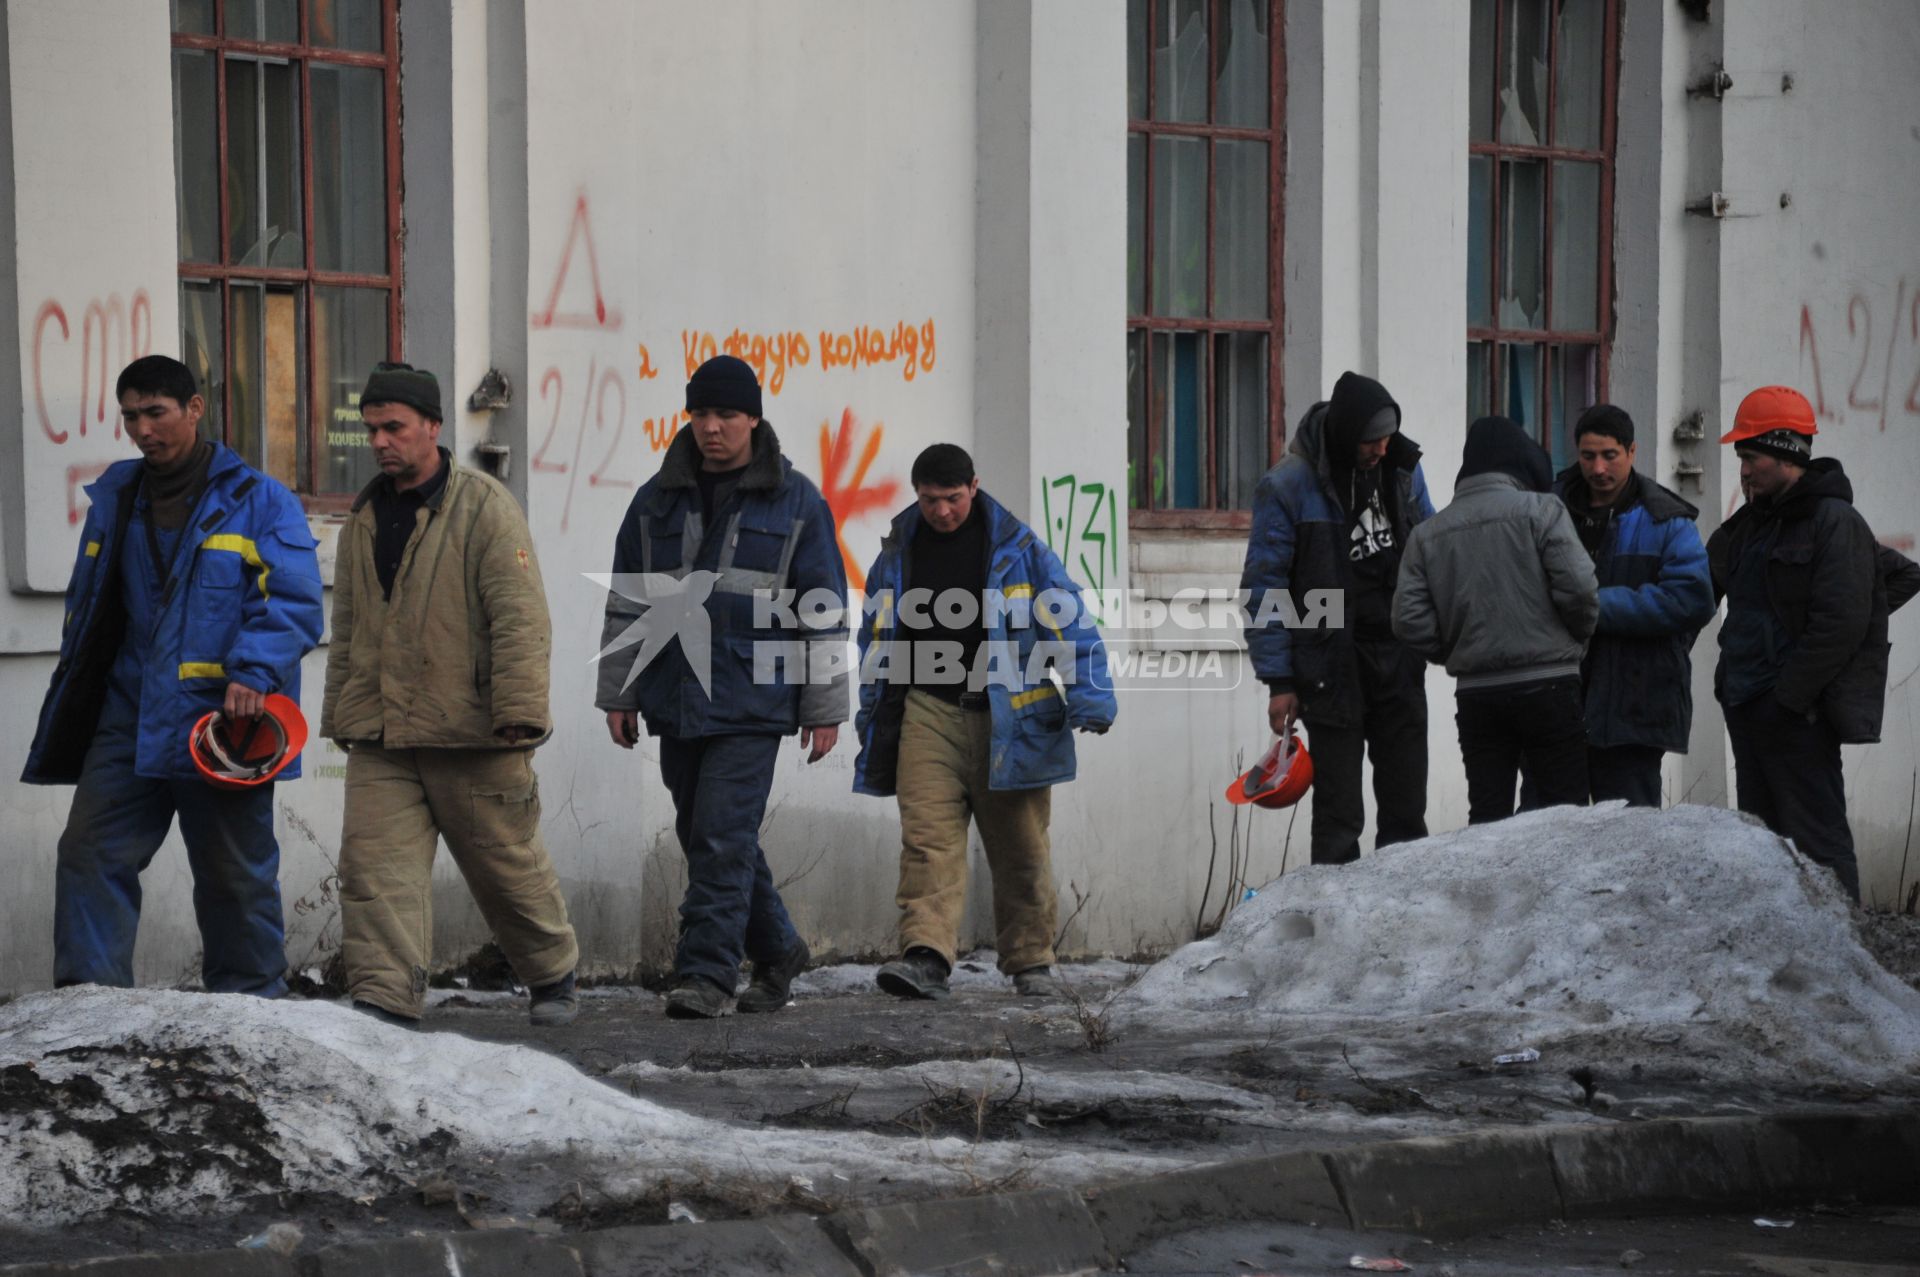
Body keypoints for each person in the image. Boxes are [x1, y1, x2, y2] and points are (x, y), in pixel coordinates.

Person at [24, 355, 324, 995]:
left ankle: (251, 1011)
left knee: (233, 875)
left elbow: (294, 600)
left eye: (155, 413)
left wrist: (254, 670)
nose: (141, 430)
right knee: (89, 855)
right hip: (128, 714)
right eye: (130, 415)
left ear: (195, 408)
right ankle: (89, 1010)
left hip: (222, 723)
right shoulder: (117, 494)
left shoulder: (259, 501)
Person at [322, 362, 579, 1026]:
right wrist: (342, 712)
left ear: (433, 427)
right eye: (371, 428)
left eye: (394, 427)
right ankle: (385, 1001)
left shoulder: (485, 507)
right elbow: (348, 627)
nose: (380, 441)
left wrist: (520, 711)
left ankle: (552, 974)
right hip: (382, 734)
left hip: (473, 729)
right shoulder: (364, 518)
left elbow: (520, 615)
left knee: (505, 866)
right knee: (374, 874)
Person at [598, 355, 848, 1019]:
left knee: (719, 835)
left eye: (726, 415)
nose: (712, 427)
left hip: (754, 700)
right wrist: (618, 694)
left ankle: (706, 975)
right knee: (708, 833)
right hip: (675, 695)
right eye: (701, 414)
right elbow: (628, 603)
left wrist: (824, 708)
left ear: (753, 419)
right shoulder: (655, 501)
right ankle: (778, 947)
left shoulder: (796, 502)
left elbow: (822, 608)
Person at [854, 444, 1115, 1002]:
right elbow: (873, 637)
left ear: (974, 486)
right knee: (927, 842)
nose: (942, 511)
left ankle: (1031, 961)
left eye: (952, 498)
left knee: (1020, 846)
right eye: (929, 500)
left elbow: (1069, 618)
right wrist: (870, 711)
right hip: (927, 711)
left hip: (1011, 717)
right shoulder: (898, 552)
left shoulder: (1020, 550)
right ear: (915, 493)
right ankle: (925, 957)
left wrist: (1091, 695)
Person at [1707, 386, 1920, 903]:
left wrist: (1791, 693)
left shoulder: (1834, 523)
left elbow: (1847, 618)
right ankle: (1783, 957)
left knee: (1818, 841)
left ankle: (1845, 955)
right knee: (1762, 842)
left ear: (1785, 454)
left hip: (1793, 712)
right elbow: (1700, 587)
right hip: (1747, 702)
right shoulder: (1750, 525)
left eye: (1751, 457)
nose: (1744, 470)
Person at [1241, 371, 1435, 865]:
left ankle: (1404, 921)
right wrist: (1279, 680)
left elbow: (1433, 550)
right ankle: (1332, 932)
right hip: (1329, 669)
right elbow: (1265, 587)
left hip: (1399, 659)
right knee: (1338, 816)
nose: (1381, 450)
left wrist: (1438, 633)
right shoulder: (1287, 486)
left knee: (1406, 810)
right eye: (1372, 441)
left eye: (1388, 438)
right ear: (1347, 435)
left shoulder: (1404, 470)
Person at [1393, 416, 1598, 823]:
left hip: (1477, 693)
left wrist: (1456, 647)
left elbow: (1406, 619)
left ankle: (1488, 890)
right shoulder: (1543, 511)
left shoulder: (1428, 533)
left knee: (1488, 817)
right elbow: (1580, 588)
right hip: (1550, 684)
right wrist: (1575, 640)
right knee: (1567, 818)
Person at [1549, 405, 1715, 806]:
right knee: (1548, 838)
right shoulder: (1548, 511)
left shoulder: (1667, 521)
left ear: (1632, 451)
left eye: (1610, 455)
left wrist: (1594, 607)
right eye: (1588, 456)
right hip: (1557, 702)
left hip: (1635, 705)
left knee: (1631, 839)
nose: (1598, 468)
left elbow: (1692, 599)